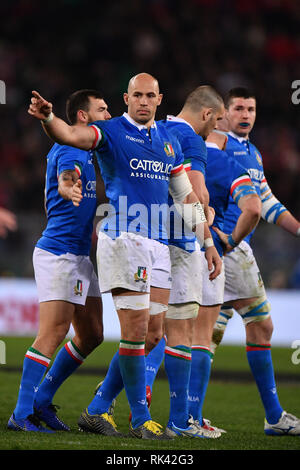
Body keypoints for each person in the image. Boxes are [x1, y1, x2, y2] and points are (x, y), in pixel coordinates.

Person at [27, 73, 218, 440]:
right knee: (134, 332)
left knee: (153, 334)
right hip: (124, 239)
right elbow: (70, 135)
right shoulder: (111, 131)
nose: (143, 101)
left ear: (159, 99)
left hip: (159, 244)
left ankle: (96, 409)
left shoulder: (167, 142)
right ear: (126, 98)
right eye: (137, 96)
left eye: (150, 96)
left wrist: (208, 243)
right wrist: (50, 118)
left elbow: (185, 197)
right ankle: (140, 418)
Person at [8, 89, 111, 433]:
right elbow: (66, 177)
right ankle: (21, 413)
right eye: (102, 108)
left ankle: (41, 398)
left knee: (93, 334)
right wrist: (67, 187)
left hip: (79, 256)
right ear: (83, 116)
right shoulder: (70, 148)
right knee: (53, 332)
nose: (108, 114)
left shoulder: (89, 152)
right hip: (59, 253)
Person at [211, 87, 300, 436]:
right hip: (221, 248)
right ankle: (274, 417)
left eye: (251, 108)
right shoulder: (216, 143)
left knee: (201, 335)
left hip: (229, 252)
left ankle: (180, 414)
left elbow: (267, 202)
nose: (245, 114)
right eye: (238, 108)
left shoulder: (253, 153)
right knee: (249, 328)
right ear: (224, 113)